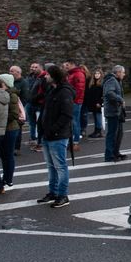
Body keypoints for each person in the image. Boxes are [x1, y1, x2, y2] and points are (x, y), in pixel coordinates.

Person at [36, 65, 75, 208]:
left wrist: (53, 129)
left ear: (54, 76)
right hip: (48, 134)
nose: (45, 76)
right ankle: (53, 192)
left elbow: (67, 115)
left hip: (57, 135)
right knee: (51, 166)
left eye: (47, 75)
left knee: (60, 166)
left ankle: (62, 195)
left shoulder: (64, 92)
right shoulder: (52, 90)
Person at [0, 73, 22, 189]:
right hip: (4, 128)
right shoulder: (3, 93)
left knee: (7, 155)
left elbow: (13, 114)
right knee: (3, 155)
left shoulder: (12, 95)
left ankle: (8, 180)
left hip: (10, 129)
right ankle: (5, 178)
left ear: (4, 83)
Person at [103, 65, 126, 162]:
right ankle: (109, 155)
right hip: (113, 112)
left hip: (117, 112)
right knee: (112, 134)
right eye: (123, 72)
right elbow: (109, 93)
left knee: (119, 133)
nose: (124, 75)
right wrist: (120, 99)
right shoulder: (111, 80)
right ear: (118, 72)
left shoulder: (116, 80)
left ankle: (115, 152)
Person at [63, 59, 85, 150]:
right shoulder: (71, 74)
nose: (65, 67)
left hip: (75, 102)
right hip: (72, 101)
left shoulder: (77, 74)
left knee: (75, 121)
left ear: (72, 64)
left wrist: (73, 100)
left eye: (67, 65)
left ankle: (75, 142)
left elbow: (79, 90)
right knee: (72, 122)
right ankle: (72, 141)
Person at [9, 65, 29, 155]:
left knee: (18, 128)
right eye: (10, 71)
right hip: (10, 108)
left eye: (12, 71)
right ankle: (10, 146)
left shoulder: (23, 83)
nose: (10, 72)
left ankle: (17, 148)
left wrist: (20, 108)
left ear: (18, 72)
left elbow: (25, 97)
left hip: (19, 108)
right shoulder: (10, 81)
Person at [25, 63, 43, 146]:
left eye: (36, 67)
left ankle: (40, 140)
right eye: (32, 67)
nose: (33, 68)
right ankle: (33, 138)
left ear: (40, 68)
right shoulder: (29, 77)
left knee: (40, 123)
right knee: (31, 123)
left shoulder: (42, 78)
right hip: (30, 103)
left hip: (39, 104)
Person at [85, 68, 105, 138]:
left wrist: (100, 102)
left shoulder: (102, 84)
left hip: (98, 104)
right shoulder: (92, 83)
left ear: (101, 75)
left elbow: (103, 95)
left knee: (98, 117)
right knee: (95, 117)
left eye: (98, 74)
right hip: (93, 103)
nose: (96, 75)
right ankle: (95, 131)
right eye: (95, 74)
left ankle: (99, 131)